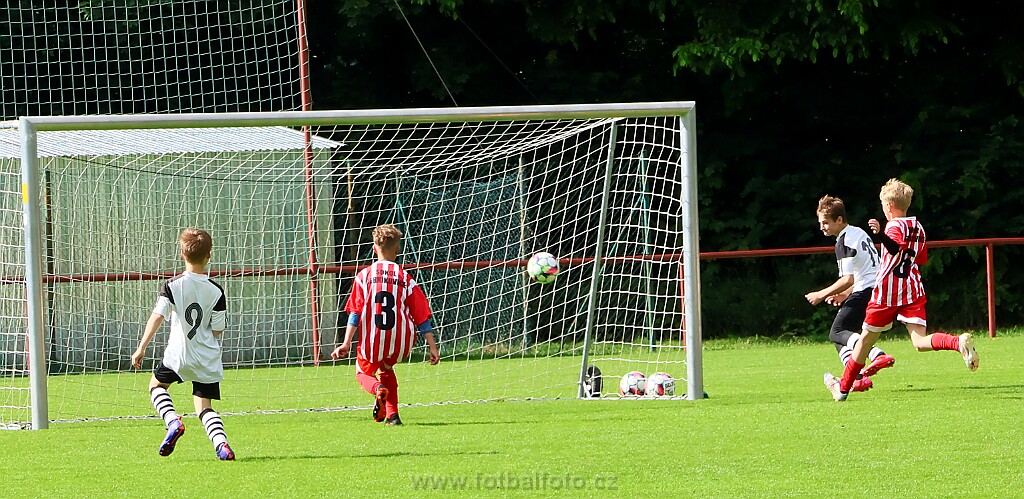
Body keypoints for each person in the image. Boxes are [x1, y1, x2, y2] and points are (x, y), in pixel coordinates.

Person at [825, 179, 979, 401]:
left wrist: (881, 235)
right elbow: (922, 259)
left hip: (887, 292)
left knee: (865, 341)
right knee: (919, 342)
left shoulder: (893, 226)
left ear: (888, 206)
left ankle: (843, 389)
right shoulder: (918, 227)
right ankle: (957, 343)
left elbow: (895, 248)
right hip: (912, 289)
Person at [131, 228, 235, 460]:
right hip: (206, 357)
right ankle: (222, 445)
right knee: (204, 407)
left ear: (182, 254)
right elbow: (218, 330)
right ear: (209, 255)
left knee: (157, 386)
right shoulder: (216, 291)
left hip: (179, 355)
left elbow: (157, 316)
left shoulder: (172, 285)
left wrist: (142, 347)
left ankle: (172, 421)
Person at [331, 224, 440, 425]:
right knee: (386, 367)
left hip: (374, 338)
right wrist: (432, 346)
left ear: (374, 248)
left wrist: (346, 343)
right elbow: (421, 316)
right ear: (397, 250)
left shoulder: (364, 276)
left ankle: (378, 389)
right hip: (402, 340)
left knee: (362, 373)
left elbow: (355, 313)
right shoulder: (405, 278)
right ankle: (393, 416)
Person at [805, 195, 895, 393]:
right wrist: (844, 295)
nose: (822, 227)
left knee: (836, 332)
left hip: (866, 291)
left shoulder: (843, 241)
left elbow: (848, 279)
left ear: (839, 219)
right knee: (842, 334)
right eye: (820, 223)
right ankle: (858, 378)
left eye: (825, 222)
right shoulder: (858, 232)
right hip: (877, 289)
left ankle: (876, 354)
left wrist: (820, 294)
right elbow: (862, 273)